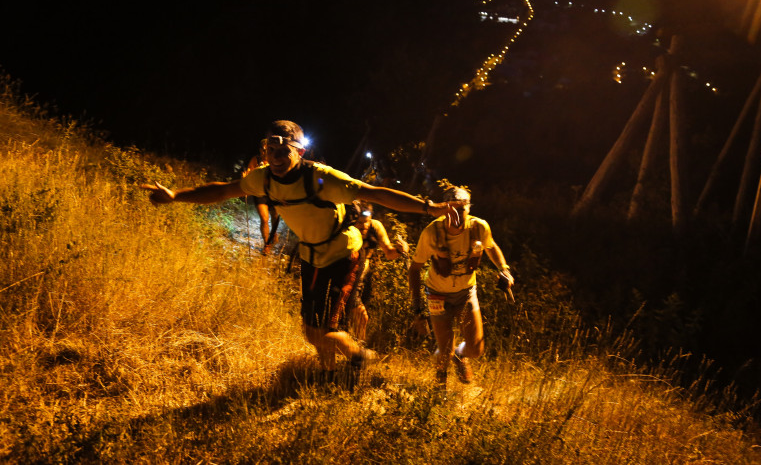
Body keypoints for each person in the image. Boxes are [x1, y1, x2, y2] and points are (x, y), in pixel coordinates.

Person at [142, 120, 459, 380]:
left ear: (300, 151)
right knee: (312, 327)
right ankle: (328, 375)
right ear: (264, 151)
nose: (276, 156)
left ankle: (360, 355)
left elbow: (375, 194)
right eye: (270, 148)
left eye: (284, 149)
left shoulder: (321, 178)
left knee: (319, 331)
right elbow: (222, 190)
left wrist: (429, 208)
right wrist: (175, 196)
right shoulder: (262, 179)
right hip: (310, 255)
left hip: (342, 253)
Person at [408, 186, 514, 387]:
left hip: (465, 293)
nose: (457, 215)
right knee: (443, 349)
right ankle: (439, 389)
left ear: (469, 209)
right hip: (437, 294)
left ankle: (459, 355)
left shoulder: (478, 227)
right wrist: (417, 308)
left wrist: (504, 269)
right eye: (452, 209)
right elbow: (414, 269)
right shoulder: (432, 232)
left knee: (475, 349)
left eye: (462, 209)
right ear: (445, 209)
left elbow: (491, 247)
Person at [348, 202, 409, 343]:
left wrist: (400, 250)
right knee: (361, 315)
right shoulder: (347, 228)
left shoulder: (375, 226)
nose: (364, 226)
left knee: (357, 316)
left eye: (366, 222)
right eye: (360, 222)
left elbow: (389, 252)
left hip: (365, 275)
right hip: (349, 274)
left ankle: (354, 347)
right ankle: (358, 351)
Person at [243, 138, 280, 255]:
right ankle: (266, 245)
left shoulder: (275, 159)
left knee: (275, 217)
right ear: (260, 150)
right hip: (259, 193)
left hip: (274, 194)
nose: (265, 152)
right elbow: (249, 173)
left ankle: (273, 233)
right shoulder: (256, 160)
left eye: (268, 149)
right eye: (263, 150)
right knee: (264, 219)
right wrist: (245, 178)